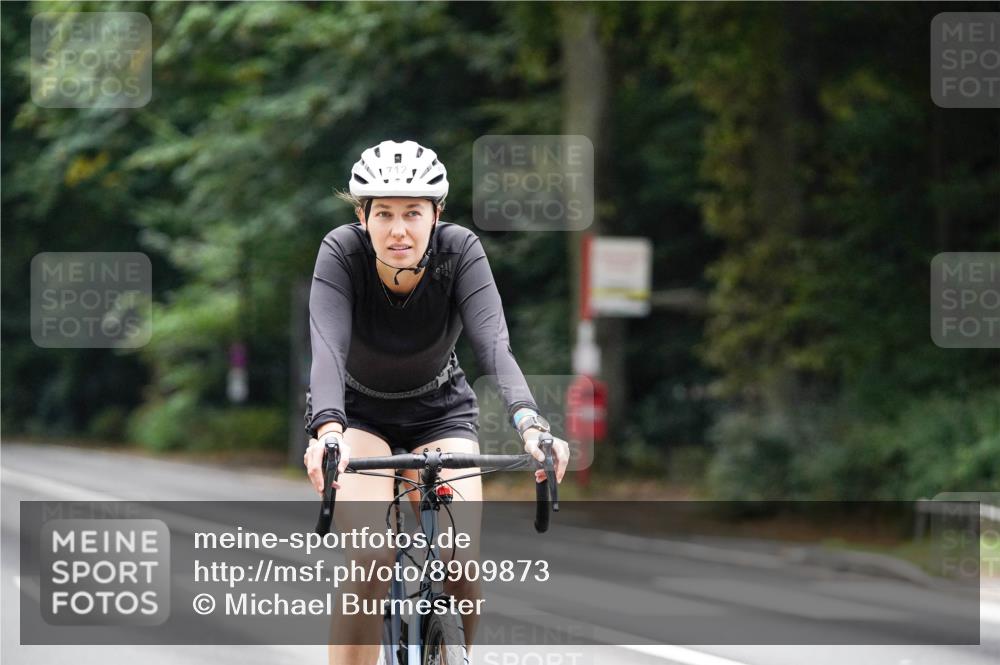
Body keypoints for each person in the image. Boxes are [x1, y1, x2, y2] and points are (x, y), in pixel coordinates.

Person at [301, 139, 570, 664]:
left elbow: (494, 347)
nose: (398, 230)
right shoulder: (341, 253)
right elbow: (327, 350)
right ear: (362, 217)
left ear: (436, 215)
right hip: (357, 416)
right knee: (372, 559)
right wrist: (327, 433)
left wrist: (533, 427)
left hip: (440, 413)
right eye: (384, 213)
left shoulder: (460, 251)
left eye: (412, 213)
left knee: (460, 561)